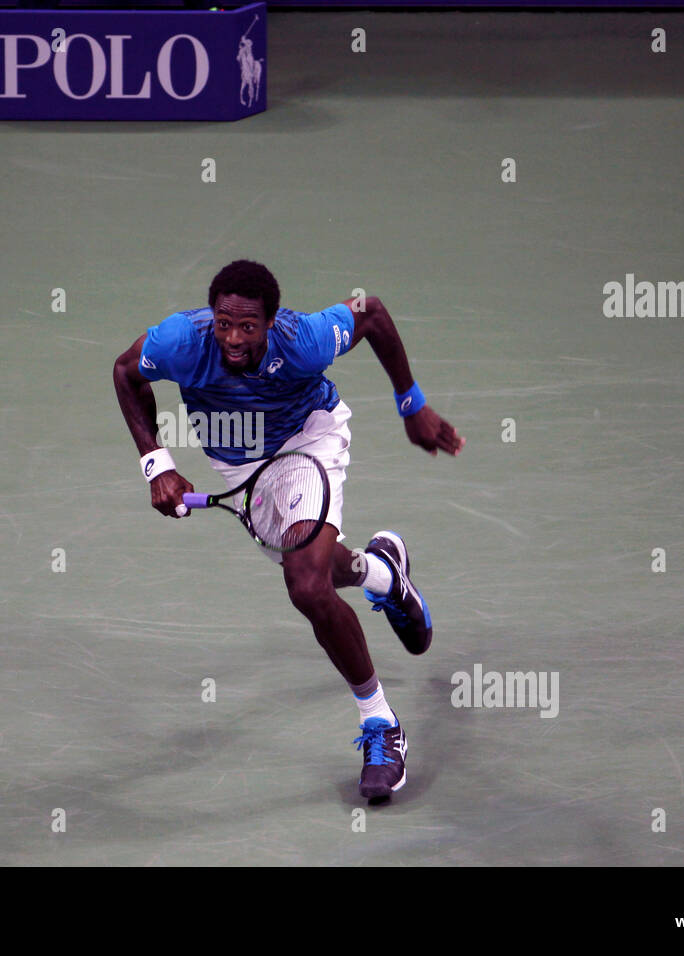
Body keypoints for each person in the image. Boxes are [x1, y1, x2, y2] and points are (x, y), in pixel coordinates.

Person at [112, 260, 464, 799]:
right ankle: (382, 574)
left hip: (307, 442)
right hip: (240, 467)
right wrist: (155, 463)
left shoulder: (304, 340)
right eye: (224, 323)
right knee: (322, 573)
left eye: (248, 326)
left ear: (271, 323)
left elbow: (371, 314)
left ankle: (381, 724)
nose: (233, 338)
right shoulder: (182, 340)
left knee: (305, 585)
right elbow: (125, 372)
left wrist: (411, 404)